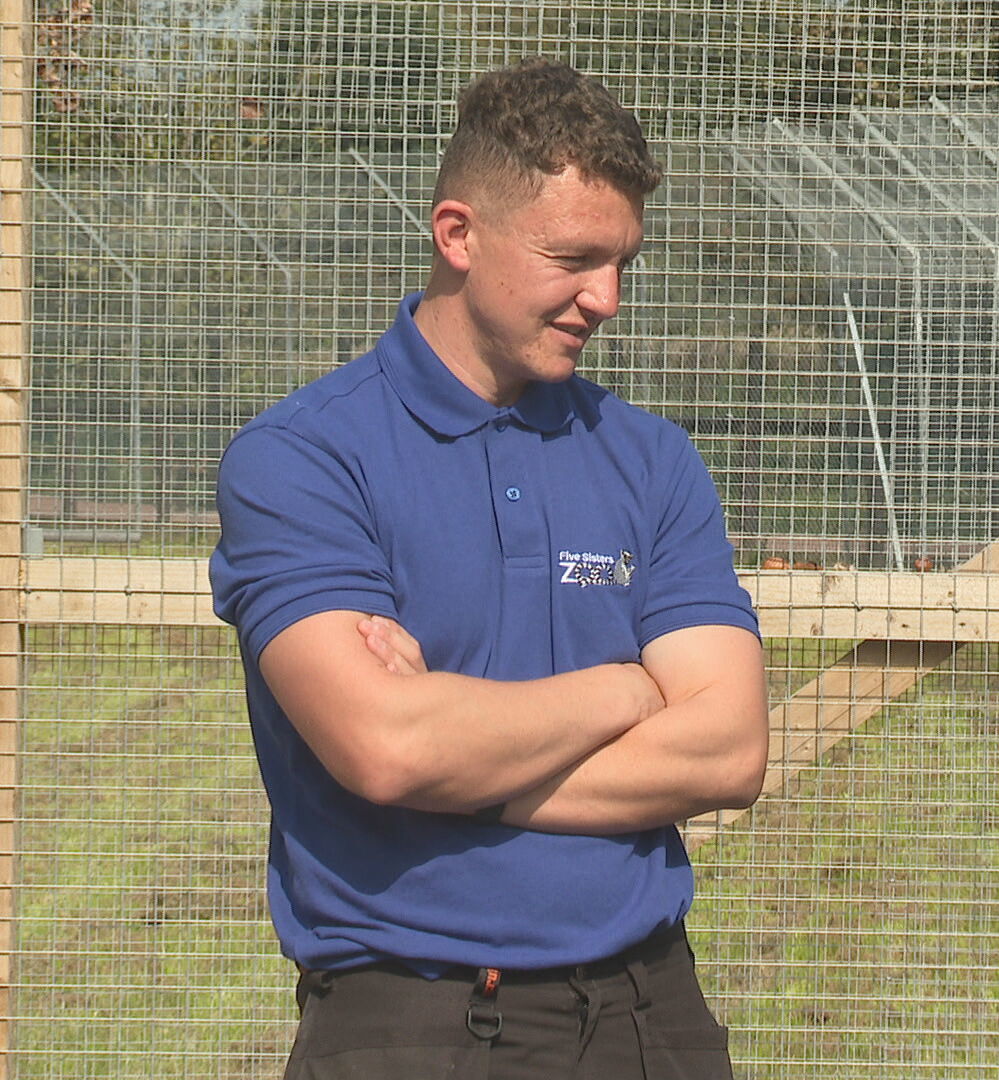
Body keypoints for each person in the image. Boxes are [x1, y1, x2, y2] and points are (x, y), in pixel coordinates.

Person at [209, 58, 767, 1080]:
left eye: (622, 264)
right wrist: (628, 687)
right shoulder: (303, 458)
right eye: (572, 257)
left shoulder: (650, 459)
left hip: (651, 1012)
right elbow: (385, 750)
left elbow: (727, 751)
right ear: (457, 234)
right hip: (415, 1021)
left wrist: (464, 768)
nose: (605, 298)